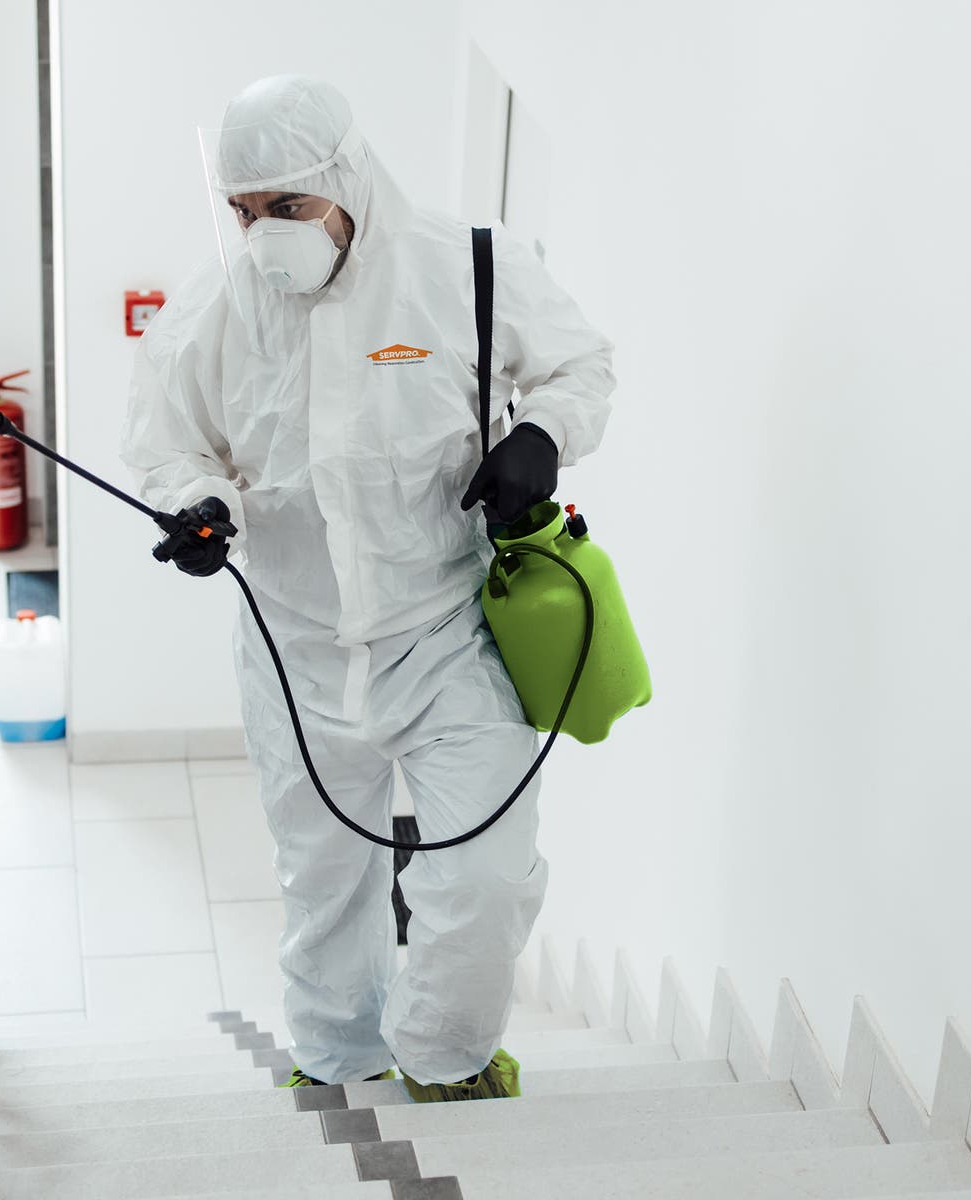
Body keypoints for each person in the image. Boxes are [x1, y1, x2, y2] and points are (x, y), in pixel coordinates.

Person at [120, 75, 615, 1101]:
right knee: (323, 879)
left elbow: (580, 368)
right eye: (244, 213)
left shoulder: (467, 269)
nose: (265, 237)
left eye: (288, 208)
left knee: (482, 874)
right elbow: (172, 449)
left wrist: (540, 435)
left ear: (347, 180)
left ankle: (444, 1055)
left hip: (445, 634)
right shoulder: (217, 311)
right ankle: (339, 1055)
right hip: (296, 650)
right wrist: (203, 508)